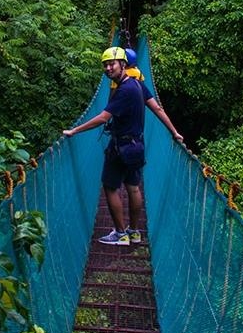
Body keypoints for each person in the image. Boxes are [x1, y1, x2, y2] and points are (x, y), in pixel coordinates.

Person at [63, 46, 185, 246]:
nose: (108, 68)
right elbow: (156, 108)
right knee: (134, 188)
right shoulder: (137, 85)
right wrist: (174, 132)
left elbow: (103, 118)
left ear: (123, 65)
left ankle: (121, 234)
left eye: (112, 64)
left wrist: (74, 131)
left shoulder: (124, 91)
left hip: (121, 148)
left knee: (110, 187)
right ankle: (135, 232)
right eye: (105, 65)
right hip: (137, 145)